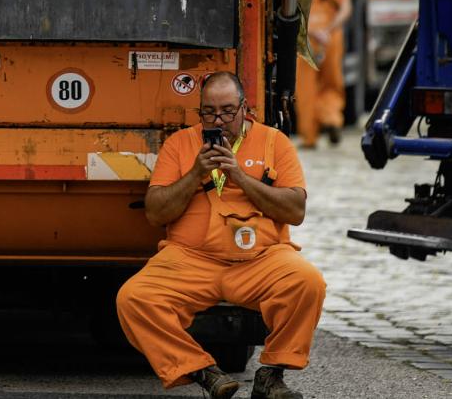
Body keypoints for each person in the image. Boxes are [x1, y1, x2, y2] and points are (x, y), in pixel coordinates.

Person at [117, 71, 325, 399]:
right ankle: (202, 371)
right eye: (209, 112)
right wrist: (196, 173)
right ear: (199, 111)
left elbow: (295, 211)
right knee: (134, 299)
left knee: (307, 282)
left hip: (260, 258)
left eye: (227, 111)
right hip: (190, 258)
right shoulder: (181, 143)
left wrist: (239, 176)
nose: (219, 120)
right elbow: (156, 213)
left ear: (245, 108)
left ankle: (271, 374)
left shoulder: (274, 142)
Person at [296, 0, 351, 149]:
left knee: (305, 88)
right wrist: (328, 30)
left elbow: (289, 13)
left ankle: (309, 136)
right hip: (331, 38)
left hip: (307, 40)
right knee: (331, 83)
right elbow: (346, 9)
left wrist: (313, 32)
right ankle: (332, 119)